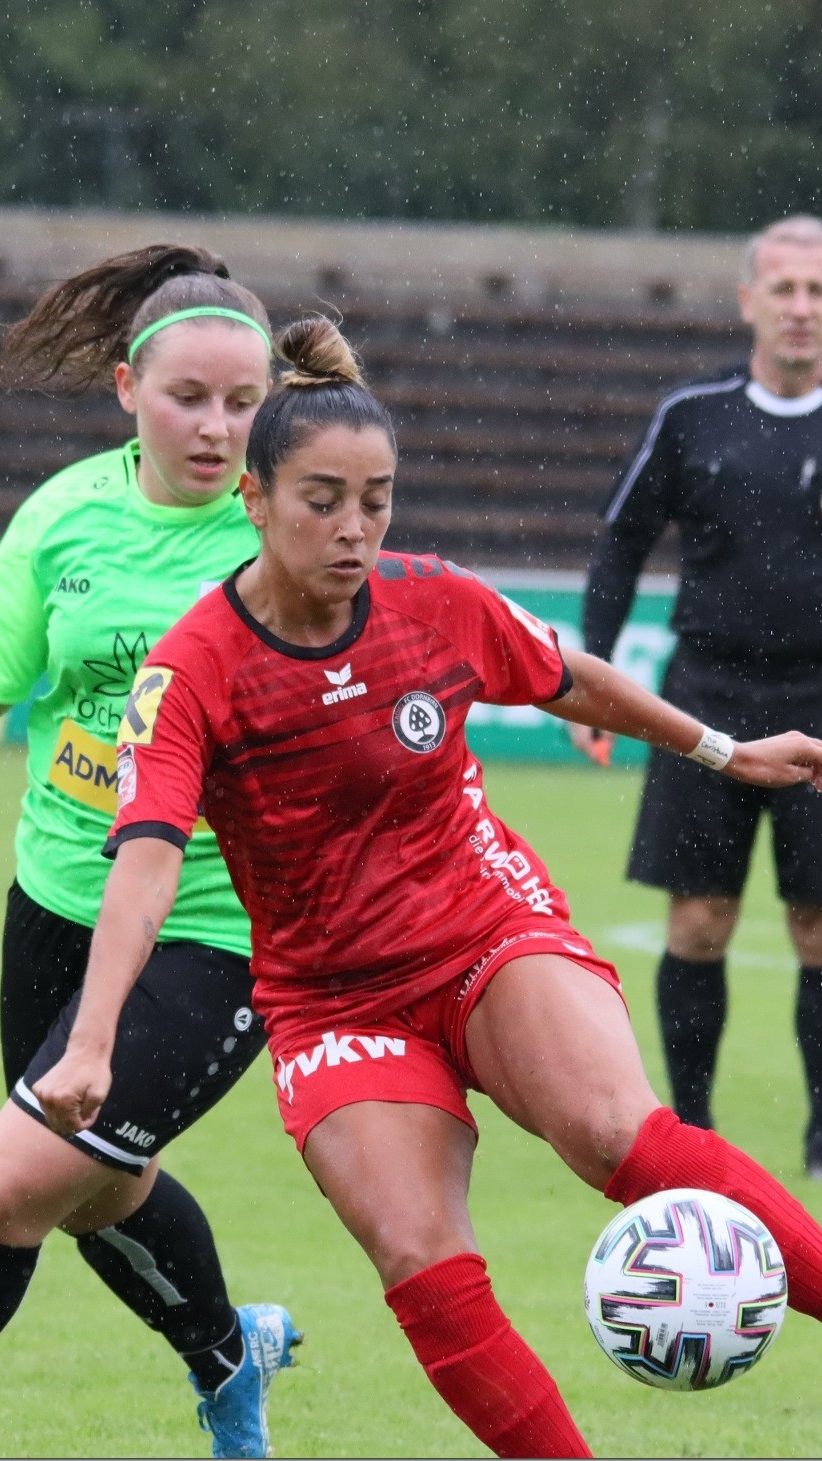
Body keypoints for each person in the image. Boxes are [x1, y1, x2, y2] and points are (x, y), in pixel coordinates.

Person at [25, 314, 822, 1460]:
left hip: (484, 928)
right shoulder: (193, 668)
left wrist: (723, 751)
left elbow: (566, 679)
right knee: (420, 1255)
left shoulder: (431, 599)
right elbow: (147, 858)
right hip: (333, 997)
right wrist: (91, 1038)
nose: (354, 529)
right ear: (253, 500)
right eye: (321, 500)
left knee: (616, 1135)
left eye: (376, 500)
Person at [0, 245, 301, 1459]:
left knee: (17, 1185)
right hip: (56, 901)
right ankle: (231, 1355)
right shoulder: (63, 517)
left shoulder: (290, 528)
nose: (219, 427)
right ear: (128, 387)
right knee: (94, 1189)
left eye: (245, 404)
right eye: (191, 398)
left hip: (217, 930)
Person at [572, 214, 822, 1174]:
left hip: (819, 700)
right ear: (749, 301)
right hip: (706, 695)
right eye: (785, 289)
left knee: (817, 928)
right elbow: (621, 538)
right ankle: (697, 1130)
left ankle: (819, 1136)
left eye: (815, 291)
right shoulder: (692, 417)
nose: (800, 309)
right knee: (699, 922)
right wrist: (593, 675)